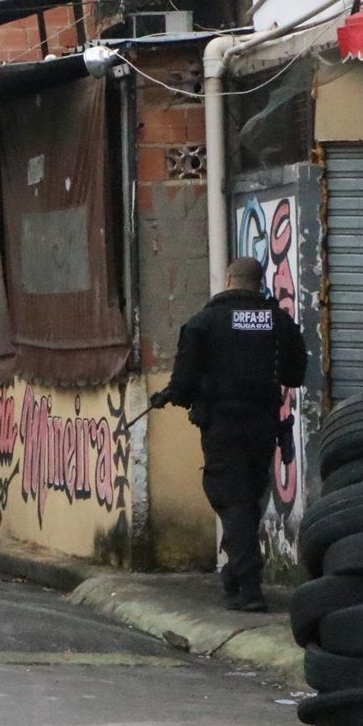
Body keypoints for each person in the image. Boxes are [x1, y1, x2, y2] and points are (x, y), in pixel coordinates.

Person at [153, 256, 307, 612]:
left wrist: (170, 396)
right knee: (249, 497)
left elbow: (184, 383)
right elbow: (295, 374)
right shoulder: (278, 320)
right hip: (263, 423)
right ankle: (235, 577)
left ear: (228, 280)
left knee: (231, 498)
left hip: (223, 425)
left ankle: (249, 587)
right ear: (260, 282)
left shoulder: (204, 322)